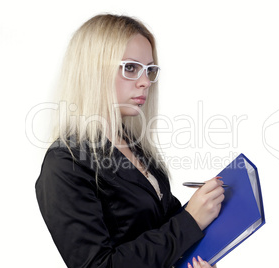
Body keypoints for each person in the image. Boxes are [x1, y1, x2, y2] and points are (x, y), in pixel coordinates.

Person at [35, 14, 225, 268]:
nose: (145, 82)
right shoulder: (64, 163)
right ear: (93, 71)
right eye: (131, 68)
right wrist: (190, 222)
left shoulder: (134, 145)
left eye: (150, 70)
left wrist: (204, 207)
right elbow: (99, 265)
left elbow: (164, 234)